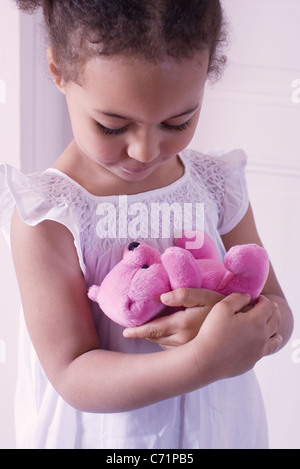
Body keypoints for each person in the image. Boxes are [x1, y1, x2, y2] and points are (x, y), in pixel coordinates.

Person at [0, 0, 293, 449]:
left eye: (179, 121)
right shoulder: (49, 215)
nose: (145, 150)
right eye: (113, 126)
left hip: (218, 430)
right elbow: (73, 373)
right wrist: (202, 361)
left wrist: (253, 331)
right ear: (59, 70)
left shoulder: (216, 186)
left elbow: (276, 308)